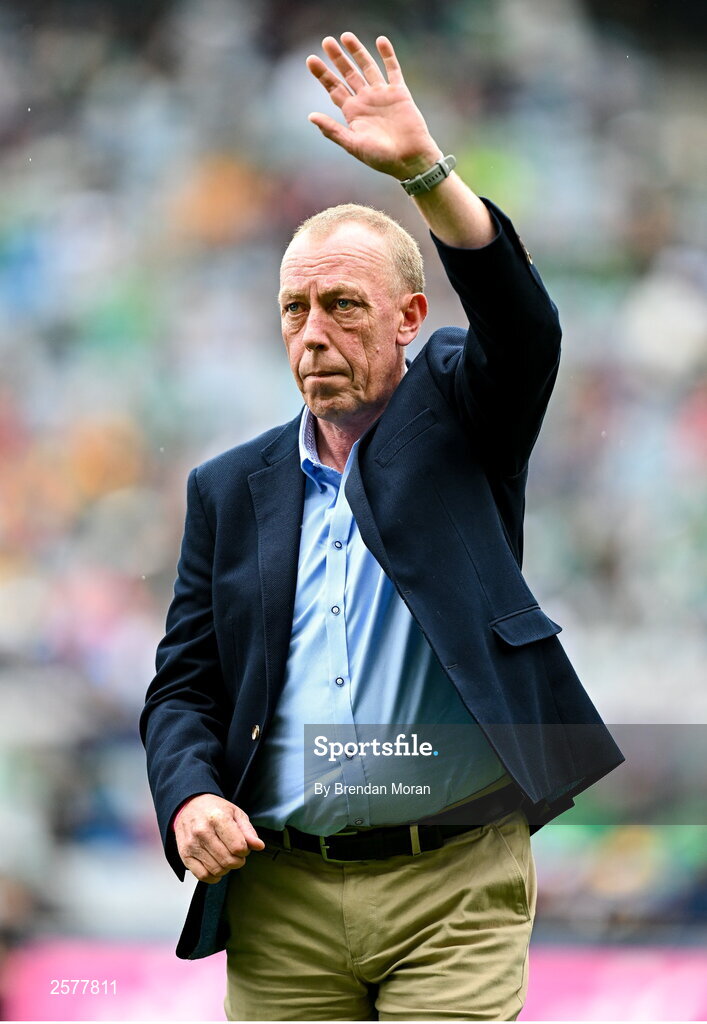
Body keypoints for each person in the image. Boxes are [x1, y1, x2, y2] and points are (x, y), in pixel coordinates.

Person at [140, 32, 624, 1021]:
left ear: (409, 316)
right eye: (294, 309)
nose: (312, 333)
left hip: (450, 882)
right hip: (282, 894)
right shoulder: (227, 489)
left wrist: (424, 172)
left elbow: (523, 329)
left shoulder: (457, 409)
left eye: (343, 307)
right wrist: (190, 795)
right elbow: (182, 688)